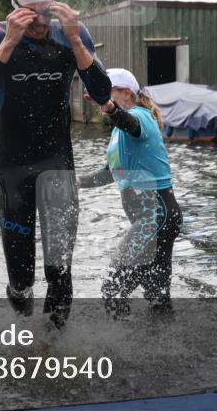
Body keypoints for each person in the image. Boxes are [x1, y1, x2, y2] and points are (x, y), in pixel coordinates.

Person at [0, 0, 112, 326]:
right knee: (21, 280)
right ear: (14, 10)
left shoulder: (70, 35)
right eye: (30, 15)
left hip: (57, 162)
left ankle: (55, 351)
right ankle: (24, 336)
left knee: (60, 270)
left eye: (46, 13)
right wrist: (8, 44)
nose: (40, 23)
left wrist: (77, 42)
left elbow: (104, 94)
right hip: (13, 169)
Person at [78, 69, 182, 317]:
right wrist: (78, 182)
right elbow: (110, 172)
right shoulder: (117, 133)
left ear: (126, 93)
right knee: (156, 297)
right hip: (156, 219)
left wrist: (110, 108)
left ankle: (118, 350)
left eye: (107, 91)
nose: (102, 97)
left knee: (113, 288)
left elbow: (131, 124)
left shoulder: (140, 116)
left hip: (155, 216)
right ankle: (164, 347)